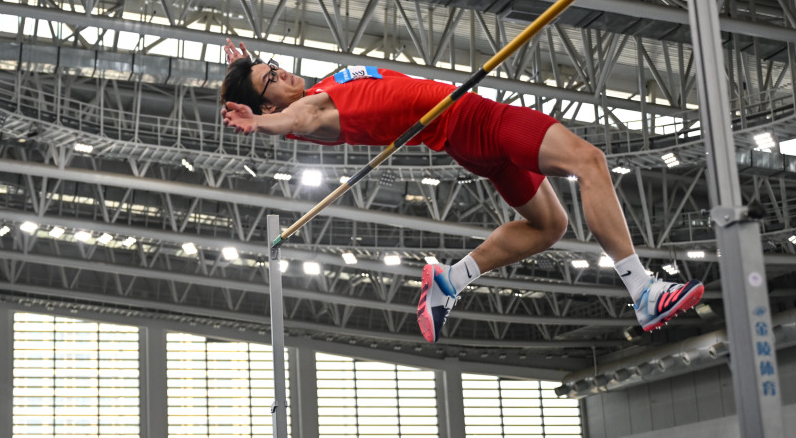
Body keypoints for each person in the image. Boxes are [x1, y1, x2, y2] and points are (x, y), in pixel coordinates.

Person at [219, 39, 704, 343]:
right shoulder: (313, 112)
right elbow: (290, 120)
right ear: (265, 107)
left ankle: (450, 280)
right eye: (272, 80)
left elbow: (281, 106)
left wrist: (247, 71)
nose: (282, 73)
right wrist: (260, 123)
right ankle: (642, 289)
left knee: (550, 226)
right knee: (589, 162)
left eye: (276, 65)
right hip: (474, 120)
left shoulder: (318, 90)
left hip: (463, 142)